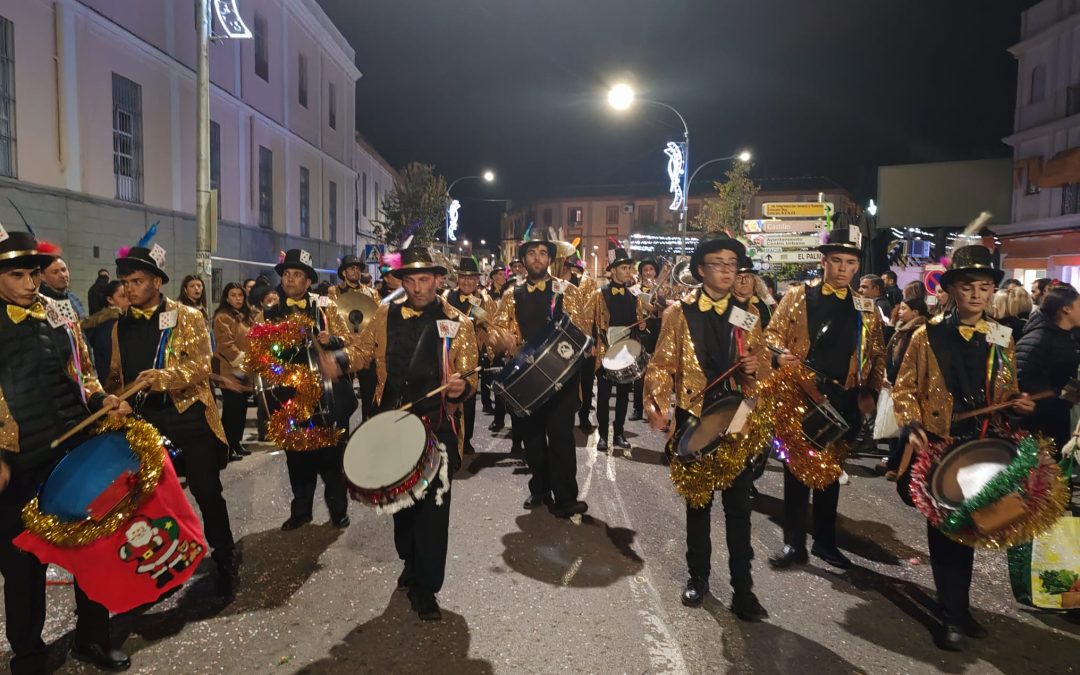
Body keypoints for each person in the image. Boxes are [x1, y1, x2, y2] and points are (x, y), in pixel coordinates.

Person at [892, 244, 1036, 651]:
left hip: (983, 444)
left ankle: (958, 606)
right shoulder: (927, 333)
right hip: (941, 445)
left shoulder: (1002, 335)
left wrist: (1017, 403)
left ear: (993, 292)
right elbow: (904, 389)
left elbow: (1007, 389)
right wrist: (913, 423)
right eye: (968, 287)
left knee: (972, 530)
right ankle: (952, 615)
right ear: (953, 289)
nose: (976, 295)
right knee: (945, 534)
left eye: (985, 287)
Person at [0, 231, 132, 674]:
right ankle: (29, 654)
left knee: (91, 550)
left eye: (33, 273)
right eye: (16, 275)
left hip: (73, 451)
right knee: (21, 566)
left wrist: (101, 402)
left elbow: (85, 374)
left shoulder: (59, 312)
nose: (29, 283)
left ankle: (92, 637)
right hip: (17, 462)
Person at [338, 243, 477, 621]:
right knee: (401, 505)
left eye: (425, 280)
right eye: (410, 280)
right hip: (392, 421)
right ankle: (410, 561)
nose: (417, 288)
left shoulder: (457, 321)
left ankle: (426, 587)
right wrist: (337, 359)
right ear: (402, 281)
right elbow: (363, 351)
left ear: (437, 280)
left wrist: (461, 387)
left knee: (434, 507)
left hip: (436, 425)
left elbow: (469, 372)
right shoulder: (385, 313)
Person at [644, 237, 769, 621]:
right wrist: (657, 406)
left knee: (739, 509)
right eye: (718, 263)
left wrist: (756, 367)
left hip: (738, 421)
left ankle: (742, 588)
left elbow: (762, 364)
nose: (728, 270)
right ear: (700, 269)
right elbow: (661, 365)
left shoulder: (748, 312)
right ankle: (698, 576)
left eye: (733, 263)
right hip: (695, 417)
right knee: (698, 505)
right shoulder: (679, 314)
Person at [108, 242, 239, 597]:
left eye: (136, 281)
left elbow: (202, 365)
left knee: (206, 490)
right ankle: (166, 561)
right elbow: (117, 376)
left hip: (189, 417)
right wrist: (111, 400)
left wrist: (164, 378)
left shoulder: (188, 316)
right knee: (153, 500)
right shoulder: (122, 327)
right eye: (125, 282)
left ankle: (225, 557)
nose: (129, 288)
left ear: (156, 281)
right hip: (146, 423)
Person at [766, 227, 886, 571]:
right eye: (837, 261)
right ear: (824, 261)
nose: (843, 268)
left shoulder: (866, 306)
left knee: (832, 471)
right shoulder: (799, 296)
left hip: (844, 397)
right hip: (802, 392)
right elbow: (772, 334)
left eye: (850, 262)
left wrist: (871, 393)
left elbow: (877, 354)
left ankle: (825, 542)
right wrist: (779, 355)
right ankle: (793, 543)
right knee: (796, 470)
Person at [490, 234, 589, 517]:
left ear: (550, 259)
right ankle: (539, 489)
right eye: (532, 253)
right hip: (527, 380)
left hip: (562, 378)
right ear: (524, 260)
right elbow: (497, 332)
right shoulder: (512, 294)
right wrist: (503, 339)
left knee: (561, 440)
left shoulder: (567, 290)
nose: (537, 257)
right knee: (533, 441)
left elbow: (581, 329)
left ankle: (566, 498)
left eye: (543, 253)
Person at [260, 250, 356, 531]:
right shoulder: (270, 309)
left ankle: (338, 510)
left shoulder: (324, 307)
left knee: (331, 457)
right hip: (289, 393)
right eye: (287, 274)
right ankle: (301, 510)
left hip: (325, 394)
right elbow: (257, 348)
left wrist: (333, 339)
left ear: (307, 281)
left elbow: (350, 340)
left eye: (297, 275)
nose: (290, 279)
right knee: (296, 457)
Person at [592, 248, 646, 451]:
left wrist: (642, 326)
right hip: (606, 351)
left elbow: (639, 321)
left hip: (626, 353)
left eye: (630, 267)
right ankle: (603, 435)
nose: (629, 271)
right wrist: (593, 346)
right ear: (613, 270)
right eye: (624, 267)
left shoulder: (634, 295)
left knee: (624, 395)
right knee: (604, 397)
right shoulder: (600, 294)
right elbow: (592, 323)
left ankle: (619, 433)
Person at [442, 257, 497, 454]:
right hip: (448, 354)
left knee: (469, 397)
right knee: (447, 396)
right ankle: (449, 435)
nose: (467, 282)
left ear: (477, 280)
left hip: (472, 356)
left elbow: (490, 325)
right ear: (458, 279)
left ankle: (467, 440)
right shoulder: (447, 296)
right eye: (463, 278)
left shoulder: (484, 300)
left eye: (471, 278)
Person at [1017, 282, 1080, 450]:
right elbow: (1021, 377)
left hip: (1058, 420)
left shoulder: (1068, 337)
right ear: (1066, 309)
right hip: (1041, 427)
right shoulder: (1039, 338)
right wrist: (1059, 395)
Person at [876, 296, 931, 478]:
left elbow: (905, 360)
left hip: (906, 383)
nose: (900, 312)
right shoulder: (902, 329)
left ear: (915, 312)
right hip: (897, 381)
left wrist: (892, 376)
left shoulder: (918, 332)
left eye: (904, 309)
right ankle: (894, 462)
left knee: (905, 427)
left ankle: (897, 465)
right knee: (898, 425)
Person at [212, 282, 253, 462]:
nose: (237, 298)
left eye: (240, 295)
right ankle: (226, 447)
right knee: (231, 411)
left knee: (241, 409)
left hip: (244, 370)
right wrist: (241, 358)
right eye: (233, 295)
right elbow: (225, 344)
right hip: (229, 370)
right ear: (227, 298)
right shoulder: (223, 317)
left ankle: (236, 442)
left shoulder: (244, 317)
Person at [630, 257, 663, 421]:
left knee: (656, 373)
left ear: (655, 272)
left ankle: (654, 409)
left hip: (658, 331)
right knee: (640, 372)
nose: (648, 272)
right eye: (645, 270)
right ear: (641, 273)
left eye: (651, 269)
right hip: (641, 332)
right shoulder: (634, 290)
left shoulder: (662, 289)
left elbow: (664, 311)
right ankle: (637, 408)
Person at [81, 280, 129, 374]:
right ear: (110, 300)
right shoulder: (111, 325)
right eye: (123, 296)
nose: (128, 299)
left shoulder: (101, 322)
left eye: (129, 295)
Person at [39, 255, 86, 320]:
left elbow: (83, 325)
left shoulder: (73, 297)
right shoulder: (40, 303)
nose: (62, 275)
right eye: (55, 272)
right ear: (42, 277)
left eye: (64, 270)